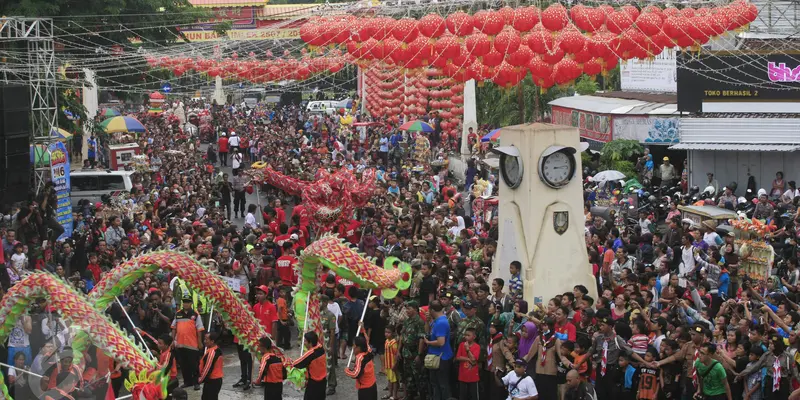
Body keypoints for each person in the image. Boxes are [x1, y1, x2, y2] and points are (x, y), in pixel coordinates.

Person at [172, 296, 204, 391]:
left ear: (191, 303)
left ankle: (196, 383)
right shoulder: (177, 314)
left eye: (188, 302)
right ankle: (187, 382)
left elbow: (199, 329)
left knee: (194, 365)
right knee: (184, 365)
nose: (186, 304)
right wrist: (173, 340)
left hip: (192, 344)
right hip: (180, 344)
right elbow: (173, 327)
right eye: (184, 302)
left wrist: (199, 342)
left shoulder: (195, 314)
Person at [425, 300, 454, 400]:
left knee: (442, 384)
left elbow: (441, 342)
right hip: (435, 357)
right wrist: (427, 321)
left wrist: (428, 343)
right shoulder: (436, 321)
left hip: (441, 357)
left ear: (432, 310)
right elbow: (428, 332)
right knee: (435, 384)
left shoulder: (441, 322)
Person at [292, 331, 327, 400]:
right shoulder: (321, 348)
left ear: (310, 342)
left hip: (314, 384)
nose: (304, 343)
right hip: (323, 382)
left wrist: (288, 361)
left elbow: (296, 364)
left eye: (305, 341)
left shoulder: (310, 354)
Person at [345, 336, 378, 400]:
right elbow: (367, 342)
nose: (353, 348)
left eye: (354, 346)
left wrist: (347, 371)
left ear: (359, 348)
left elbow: (355, 374)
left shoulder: (360, 358)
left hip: (365, 389)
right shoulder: (368, 351)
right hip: (373, 385)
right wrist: (363, 330)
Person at [455, 327, 481, 400]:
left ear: (474, 337)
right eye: (465, 335)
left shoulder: (477, 347)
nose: (466, 337)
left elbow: (474, 359)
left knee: (474, 396)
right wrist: (468, 359)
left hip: (473, 376)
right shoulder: (461, 344)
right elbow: (458, 357)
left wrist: (467, 349)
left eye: (468, 335)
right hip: (462, 375)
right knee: (462, 396)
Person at [198, 332, 224, 400]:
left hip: (212, 381)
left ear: (212, 341)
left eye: (206, 339)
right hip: (215, 380)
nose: (204, 341)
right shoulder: (215, 350)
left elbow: (207, 369)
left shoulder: (212, 352)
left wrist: (200, 380)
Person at [158, 334, 180, 398]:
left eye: (160, 343)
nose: (158, 344)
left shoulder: (168, 354)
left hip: (170, 379)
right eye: (158, 342)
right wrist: (143, 333)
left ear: (166, 345)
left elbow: (165, 368)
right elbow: (153, 340)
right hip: (165, 377)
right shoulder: (163, 350)